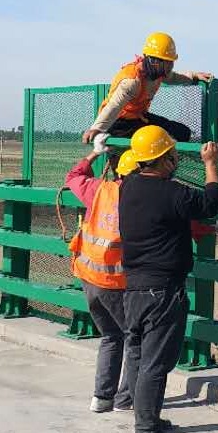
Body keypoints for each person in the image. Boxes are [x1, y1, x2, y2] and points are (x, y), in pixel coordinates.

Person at [119, 124, 218, 433]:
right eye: (173, 154)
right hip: (162, 291)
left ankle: (146, 419)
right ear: (164, 159)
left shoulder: (129, 187)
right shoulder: (173, 193)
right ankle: (146, 432)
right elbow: (212, 203)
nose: (177, 159)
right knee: (155, 363)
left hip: (134, 288)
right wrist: (210, 164)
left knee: (137, 355)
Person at [65, 146, 140, 416]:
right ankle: (125, 400)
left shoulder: (99, 190)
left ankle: (102, 397)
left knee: (110, 335)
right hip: (116, 282)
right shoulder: (141, 198)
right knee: (135, 338)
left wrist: (94, 154)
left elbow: (72, 177)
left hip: (89, 278)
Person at [82, 31, 213, 145]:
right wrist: (97, 128)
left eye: (172, 61)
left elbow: (173, 77)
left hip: (139, 117)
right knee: (152, 142)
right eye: (167, 62)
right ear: (154, 61)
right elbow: (114, 106)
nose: (171, 66)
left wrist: (194, 75)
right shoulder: (132, 81)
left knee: (181, 132)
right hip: (119, 123)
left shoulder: (159, 73)